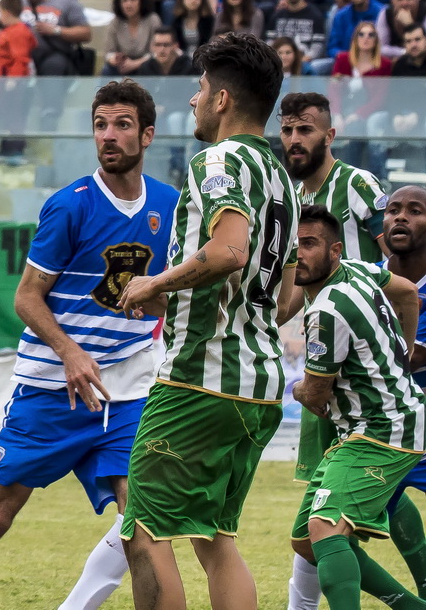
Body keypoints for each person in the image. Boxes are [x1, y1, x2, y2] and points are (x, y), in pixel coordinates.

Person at [0, 80, 179, 610]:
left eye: (122, 124)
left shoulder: (171, 206)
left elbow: (164, 294)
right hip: (50, 387)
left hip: (126, 391)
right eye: (100, 124)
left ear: (147, 134)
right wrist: (71, 352)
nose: (109, 135)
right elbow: (27, 298)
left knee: (142, 524)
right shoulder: (70, 205)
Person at [117, 31, 301, 610]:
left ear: (222, 99)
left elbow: (227, 253)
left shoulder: (218, 161)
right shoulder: (284, 183)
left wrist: (154, 283)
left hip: (201, 381)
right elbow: (283, 294)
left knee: (143, 531)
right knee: (214, 539)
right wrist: (182, 299)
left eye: (199, 89)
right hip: (260, 385)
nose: (192, 101)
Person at [289, 204, 426, 610]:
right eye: (293, 245)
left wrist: (294, 388)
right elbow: (405, 291)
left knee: (325, 527)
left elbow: (314, 396)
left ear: (333, 250)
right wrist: (402, 348)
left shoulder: (326, 312)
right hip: (379, 426)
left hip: (384, 429)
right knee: (307, 541)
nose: (298, 253)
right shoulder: (360, 270)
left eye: (309, 244)